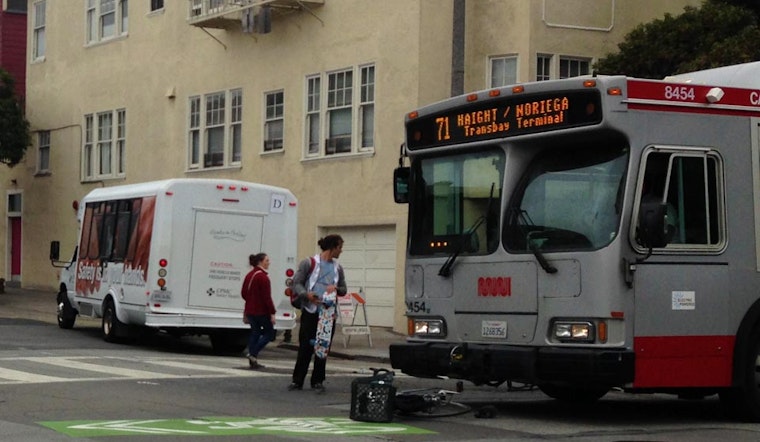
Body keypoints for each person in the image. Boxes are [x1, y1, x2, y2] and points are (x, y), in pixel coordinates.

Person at [288, 234, 347, 393]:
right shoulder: (309, 263)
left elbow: (344, 289)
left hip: (327, 314)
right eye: (340, 247)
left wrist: (336, 289)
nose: (341, 251)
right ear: (333, 247)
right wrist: (306, 295)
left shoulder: (337, 268)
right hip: (310, 310)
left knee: (323, 347)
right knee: (305, 346)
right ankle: (297, 380)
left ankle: (318, 380)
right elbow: (296, 283)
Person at [241, 253, 276, 369]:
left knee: (255, 332)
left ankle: (253, 360)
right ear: (260, 262)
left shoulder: (250, 275)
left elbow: (244, 293)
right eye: (267, 260)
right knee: (269, 333)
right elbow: (267, 297)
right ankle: (253, 353)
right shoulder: (263, 278)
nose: (268, 262)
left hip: (250, 310)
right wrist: (272, 312)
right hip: (261, 311)